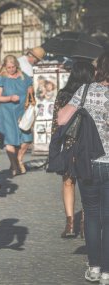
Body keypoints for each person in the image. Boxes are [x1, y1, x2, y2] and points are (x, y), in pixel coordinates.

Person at [58, 52, 109, 284]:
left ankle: (95, 267)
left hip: (89, 160)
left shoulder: (86, 90)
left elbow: (61, 119)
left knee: (92, 215)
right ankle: (108, 271)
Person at [51, 61, 95, 239]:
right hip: (88, 144)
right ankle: (85, 224)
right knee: (87, 182)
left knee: (68, 182)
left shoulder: (63, 94)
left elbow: (57, 122)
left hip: (68, 144)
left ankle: (70, 224)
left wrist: (54, 146)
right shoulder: (93, 93)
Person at [0, 55, 33, 176]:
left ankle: (18, 159)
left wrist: (31, 90)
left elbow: (31, 88)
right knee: (10, 140)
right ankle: (15, 166)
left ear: (17, 65)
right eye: (8, 67)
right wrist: (10, 98)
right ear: (5, 67)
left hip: (22, 113)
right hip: (7, 112)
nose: (11, 69)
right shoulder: (2, 78)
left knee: (27, 139)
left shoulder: (24, 77)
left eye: (13, 67)